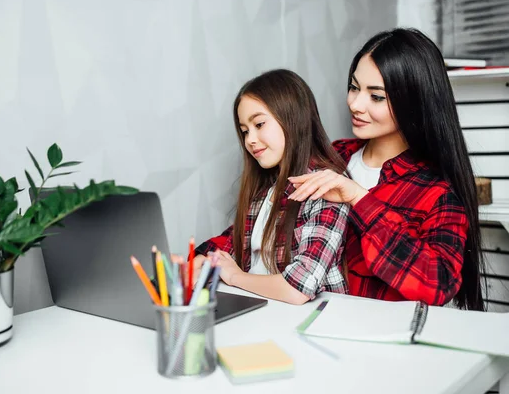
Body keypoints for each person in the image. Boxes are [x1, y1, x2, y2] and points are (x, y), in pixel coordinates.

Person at [288, 28, 484, 310]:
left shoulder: (437, 194)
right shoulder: (331, 157)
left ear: (414, 102)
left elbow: (438, 285)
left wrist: (359, 199)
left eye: (376, 96)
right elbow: (267, 218)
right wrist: (212, 254)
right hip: (301, 329)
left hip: (381, 347)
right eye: (354, 87)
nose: (355, 104)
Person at [193, 69, 350, 305]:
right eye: (245, 131)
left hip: (313, 324)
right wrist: (199, 259)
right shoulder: (266, 191)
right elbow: (227, 246)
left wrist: (236, 276)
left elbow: (298, 288)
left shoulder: (325, 187)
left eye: (259, 124)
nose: (250, 140)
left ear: (292, 119)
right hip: (264, 315)